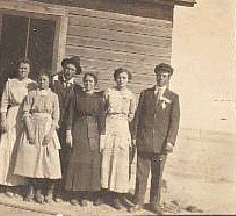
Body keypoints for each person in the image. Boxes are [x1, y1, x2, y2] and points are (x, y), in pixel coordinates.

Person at [129, 63, 180, 215]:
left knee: (157, 175)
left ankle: (154, 203)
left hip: (161, 144)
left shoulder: (173, 98)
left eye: (164, 76)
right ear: (155, 75)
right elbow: (137, 117)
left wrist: (170, 141)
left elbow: (174, 122)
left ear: (169, 78)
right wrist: (134, 137)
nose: (161, 78)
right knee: (141, 173)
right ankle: (138, 202)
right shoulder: (146, 94)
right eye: (159, 75)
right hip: (144, 141)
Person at [14, 72, 61, 204]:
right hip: (33, 126)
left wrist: (50, 133)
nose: (42, 82)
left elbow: (56, 117)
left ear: (49, 82)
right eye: (40, 79)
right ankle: (31, 190)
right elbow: (26, 112)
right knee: (31, 159)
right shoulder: (31, 94)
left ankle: (40, 190)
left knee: (45, 160)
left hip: (47, 128)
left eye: (44, 80)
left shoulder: (54, 96)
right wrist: (30, 131)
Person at [0, 58, 37, 196]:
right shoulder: (10, 82)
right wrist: (3, 120)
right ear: (17, 69)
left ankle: (20, 184)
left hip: (26, 118)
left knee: (22, 149)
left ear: (29, 70)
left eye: (26, 68)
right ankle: (7, 183)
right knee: (9, 148)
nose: (23, 71)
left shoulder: (33, 84)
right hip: (12, 115)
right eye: (21, 68)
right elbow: (4, 103)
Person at [64, 72, 106, 207]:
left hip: (93, 132)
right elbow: (70, 115)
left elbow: (102, 119)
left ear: (95, 84)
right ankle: (74, 194)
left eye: (91, 82)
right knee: (76, 162)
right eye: (86, 81)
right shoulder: (77, 97)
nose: (88, 84)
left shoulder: (99, 99)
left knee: (89, 163)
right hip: (79, 130)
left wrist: (102, 136)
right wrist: (69, 132)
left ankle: (84, 195)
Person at [100, 68, 137, 209]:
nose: (121, 80)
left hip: (122, 128)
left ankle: (116, 196)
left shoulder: (131, 96)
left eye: (124, 78)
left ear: (128, 80)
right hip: (110, 125)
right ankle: (104, 194)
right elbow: (103, 110)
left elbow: (132, 114)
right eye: (119, 77)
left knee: (120, 162)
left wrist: (123, 122)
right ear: (115, 78)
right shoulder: (109, 92)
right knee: (106, 159)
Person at [51, 56, 82, 201]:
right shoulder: (55, 83)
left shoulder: (78, 89)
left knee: (65, 158)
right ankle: (47, 188)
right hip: (54, 125)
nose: (68, 71)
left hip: (69, 128)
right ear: (63, 69)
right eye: (67, 68)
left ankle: (59, 190)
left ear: (75, 72)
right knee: (51, 156)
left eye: (72, 69)